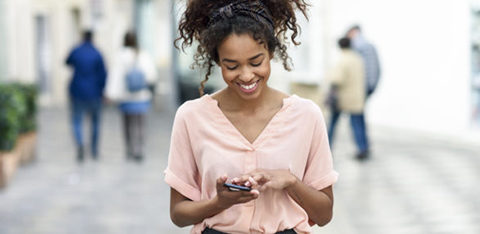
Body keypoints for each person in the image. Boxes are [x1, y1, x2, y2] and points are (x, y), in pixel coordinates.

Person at [164, 1, 338, 233]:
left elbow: (324, 214)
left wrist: (291, 181)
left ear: (271, 52)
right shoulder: (191, 117)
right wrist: (219, 202)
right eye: (232, 66)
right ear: (217, 61)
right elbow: (178, 214)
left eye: (256, 62)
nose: (246, 75)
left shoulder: (306, 115)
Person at [105, 31, 157, 162]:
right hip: (141, 96)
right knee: (140, 124)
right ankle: (139, 149)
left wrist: (110, 94)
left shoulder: (120, 55)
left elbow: (115, 76)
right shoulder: (142, 54)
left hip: (125, 97)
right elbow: (151, 75)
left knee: (127, 124)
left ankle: (129, 148)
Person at [65, 30, 107, 162]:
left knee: (77, 120)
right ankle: (94, 150)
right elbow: (103, 74)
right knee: (95, 122)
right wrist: (102, 90)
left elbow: (67, 61)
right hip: (94, 92)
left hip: (77, 91)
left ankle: (80, 144)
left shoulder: (77, 51)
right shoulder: (97, 53)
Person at [326, 37, 369, 160]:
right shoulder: (358, 58)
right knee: (358, 125)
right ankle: (363, 148)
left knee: (333, 124)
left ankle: (326, 148)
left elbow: (337, 79)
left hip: (343, 98)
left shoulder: (343, 60)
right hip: (357, 97)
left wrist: (328, 75)